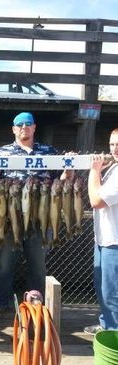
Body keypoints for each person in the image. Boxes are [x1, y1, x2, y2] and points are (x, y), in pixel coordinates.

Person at [0, 112, 72, 319]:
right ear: (14, 129)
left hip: (39, 219)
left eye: (28, 124)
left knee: (37, 266)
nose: (24, 127)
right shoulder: (2, 152)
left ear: (34, 128)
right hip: (10, 219)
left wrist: (68, 168)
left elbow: (59, 179)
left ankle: (35, 306)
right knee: (5, 265)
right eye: (19, 124)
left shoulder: (48, 151)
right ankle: (0, 303)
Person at [84, 128, 118, 334]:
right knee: (102, 287)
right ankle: (107, 325)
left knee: (112, 292)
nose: (115, 149)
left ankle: (113, 336)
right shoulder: (114, 168)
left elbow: (96, 201)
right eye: (112, 144)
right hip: (104, 239)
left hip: (115, 242)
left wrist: (94, 170)